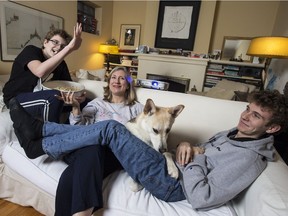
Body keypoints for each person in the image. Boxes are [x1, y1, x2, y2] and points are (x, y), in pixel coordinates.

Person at [9, 89, 288, 210]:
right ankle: (39, 137)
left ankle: (40, 136)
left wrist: (192, 160)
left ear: (272, 128)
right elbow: (200, 152)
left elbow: (203, 196)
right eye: (247, 109)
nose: (245, 116)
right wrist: (189, 146)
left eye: (256, 116)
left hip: (172, 185)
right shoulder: (233, 134)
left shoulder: (250, 158)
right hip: (168, 168)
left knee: (110, 128)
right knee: (104, 135)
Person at [53, 66, 143, 215]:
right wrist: (76, 108)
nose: (117, 81)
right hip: (87, 147)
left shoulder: (137, 109)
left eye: (122, 78)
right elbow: (79, 129)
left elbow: (144, 135)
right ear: (108, 82)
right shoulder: (98, 103)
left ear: (128, 84)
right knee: (86, 156)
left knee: (71, 174)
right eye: (113, 77)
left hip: (114, 153)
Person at [3, 23, 84, 122]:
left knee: (84, 102)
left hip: (41, 97)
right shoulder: (31, 50)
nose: (58, 48)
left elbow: (68, 86)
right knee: (52, 97)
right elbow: (39, 71)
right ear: (45, 42)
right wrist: (69, 48)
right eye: (55, 42)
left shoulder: (61, 63)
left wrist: (78, 97)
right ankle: (52, 135)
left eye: (63, 46)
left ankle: (70, 132)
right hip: (15, 98)